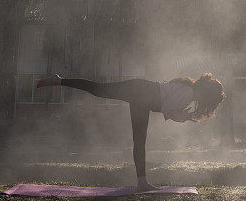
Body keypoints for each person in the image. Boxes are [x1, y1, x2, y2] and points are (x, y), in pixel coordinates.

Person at [37, 73, 226, 191]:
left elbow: (166, 106)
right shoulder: (188, 93)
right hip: (140, 91)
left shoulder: (189, 92)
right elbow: (167, 109)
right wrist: (183, 117)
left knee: (139, 140)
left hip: (142, 98)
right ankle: (59, 81)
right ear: (206, 95)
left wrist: (181, 115)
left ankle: (142, 182)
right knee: (99, 90)